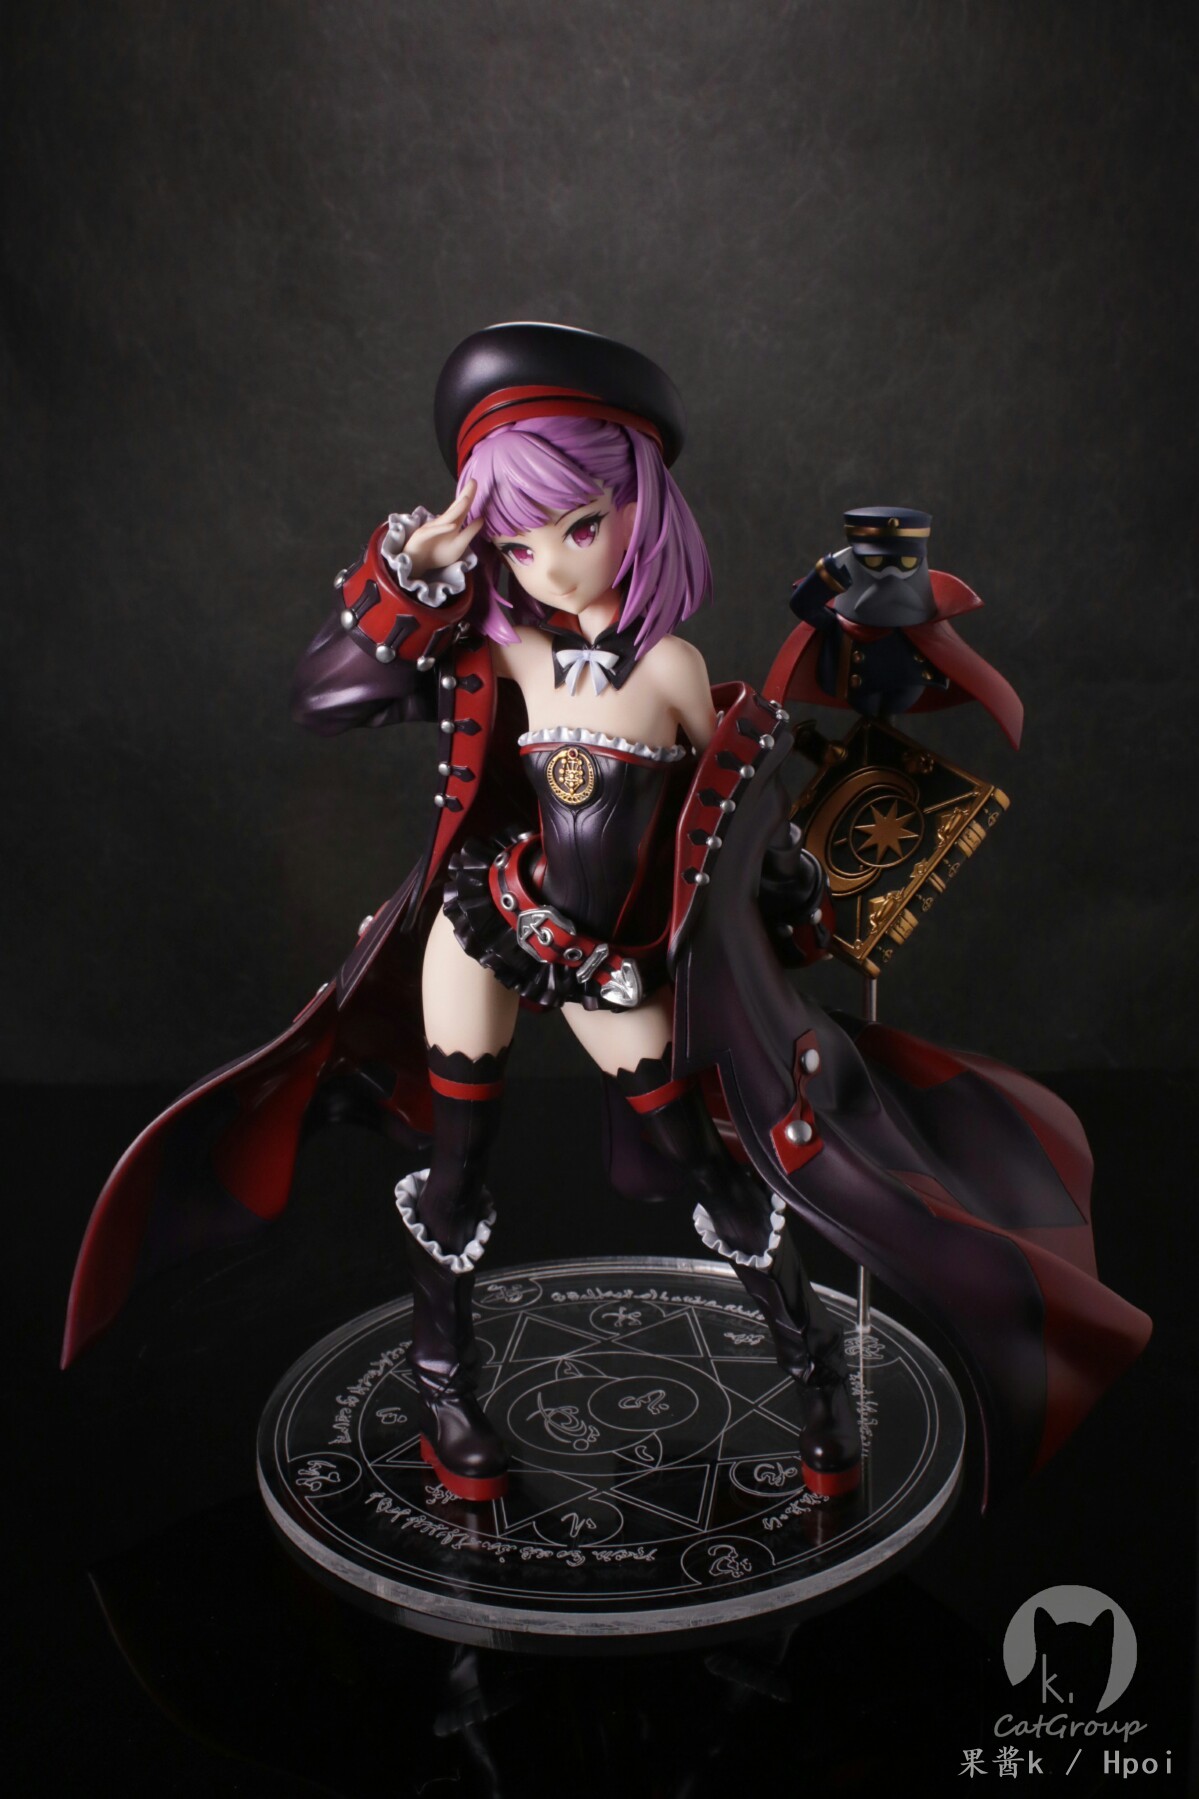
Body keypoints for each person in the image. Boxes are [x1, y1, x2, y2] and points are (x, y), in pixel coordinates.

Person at [63, 324, 1150, 1516]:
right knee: (454, 1164)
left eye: (577, 525)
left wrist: (808, 882)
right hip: (492, 919)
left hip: (611, 962)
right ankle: (443, 1384)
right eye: (517, 541)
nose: (548, 566)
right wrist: (414, 567)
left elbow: (732, 815)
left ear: (640, 507)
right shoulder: (509, 655)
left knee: (707, 1163)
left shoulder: (672, 670)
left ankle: (813, 1382)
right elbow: (327, 696)